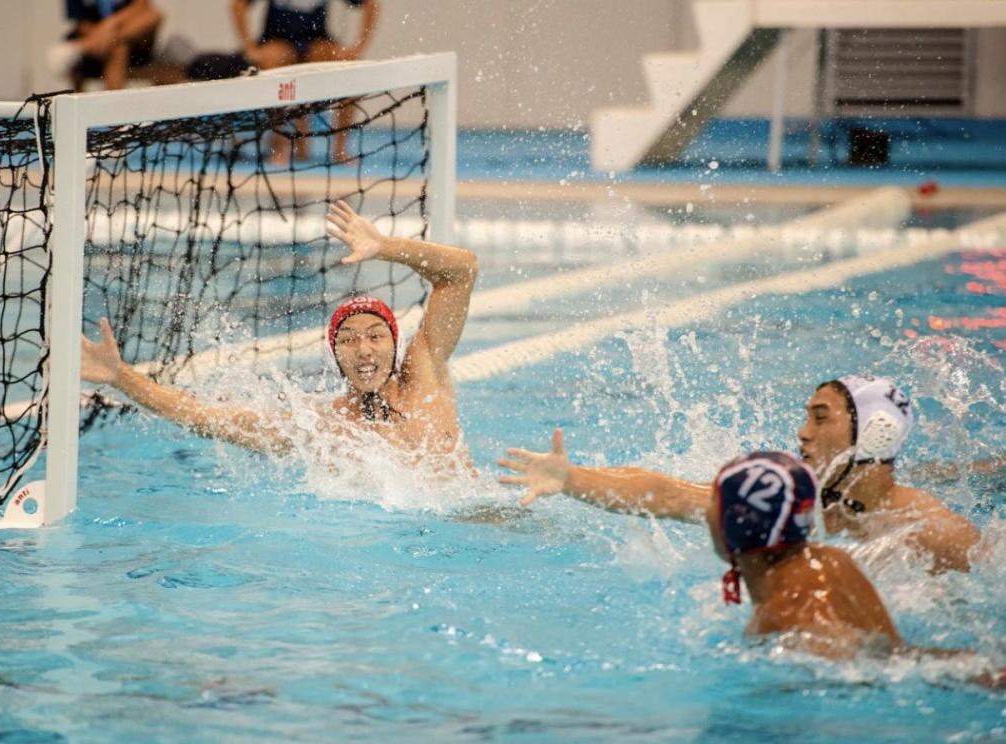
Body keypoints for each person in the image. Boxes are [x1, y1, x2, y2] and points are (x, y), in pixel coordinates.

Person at [81, 200, 476, 463]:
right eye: (349, 340)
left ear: (395, 341)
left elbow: (462, 272)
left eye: (375, 335)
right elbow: (209, 418)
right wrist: (121, 377)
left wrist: (385, 246)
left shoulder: (425, 371)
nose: (364, 350)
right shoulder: (322, 427)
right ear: (335, 355)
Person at [498, 375, 981, 573]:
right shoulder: (787, 495)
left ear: (876, 432)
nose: (801, 434)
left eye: (819, 417)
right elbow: (666, 494)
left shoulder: (932, 531)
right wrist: (571, 479)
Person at [706, 450, 1005, 687]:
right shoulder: (831, 560)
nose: (706, 513)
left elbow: (857, 671)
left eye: (713, 501)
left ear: (736, 521)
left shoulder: (786, 615)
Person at [230, 0, 381, 162]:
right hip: (278, 40)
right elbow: (237, 5)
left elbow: (371, 4)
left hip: (316, 42)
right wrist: (249, 48)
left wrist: (359, 47)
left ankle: (340, 147)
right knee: (272, 61)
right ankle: (280, 144)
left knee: (350, 69)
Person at [50, 0, 166, 92]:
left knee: (153, 16)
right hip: (98, 41)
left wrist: (112, 23)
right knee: (118, 48)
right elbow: (83, 26)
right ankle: (111, 110)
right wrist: (106, 32)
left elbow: (142, 7)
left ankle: (83, 46)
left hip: (133, 40)